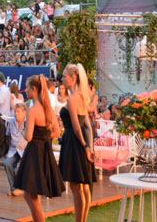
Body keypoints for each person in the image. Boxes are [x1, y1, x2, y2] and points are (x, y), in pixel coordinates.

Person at [14, 75, 64, 222]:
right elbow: (57, 132)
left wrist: (23, 128)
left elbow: (28, 136)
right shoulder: (48, 109)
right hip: (45, 150)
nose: (25, 90)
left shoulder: (33, 109)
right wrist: (45, 138)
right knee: (34, 194)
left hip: (34, 152)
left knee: (30, 195)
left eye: (27, 87)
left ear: (34, 89)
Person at [59, 64, 95, 222]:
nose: (62, 79)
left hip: (74, 144)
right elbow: (87, 126)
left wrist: (85, 146)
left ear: (73, 78)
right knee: (84, 186)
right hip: (80, 144)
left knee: (76, 186)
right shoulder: (81, 97)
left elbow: (77, 127)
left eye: (64, 76)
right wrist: (89, 147)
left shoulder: (73, 98)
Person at [5, 102, 28, 196]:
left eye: (18, 112)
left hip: (25, 151)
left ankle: (21, 188)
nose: (16, 113)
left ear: (24, 112)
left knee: (20, 167)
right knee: (7, 163)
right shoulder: (11, 122)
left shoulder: (28, 123)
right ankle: (14, 188)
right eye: (15, 111)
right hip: (14, 150)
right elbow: (7, 136)